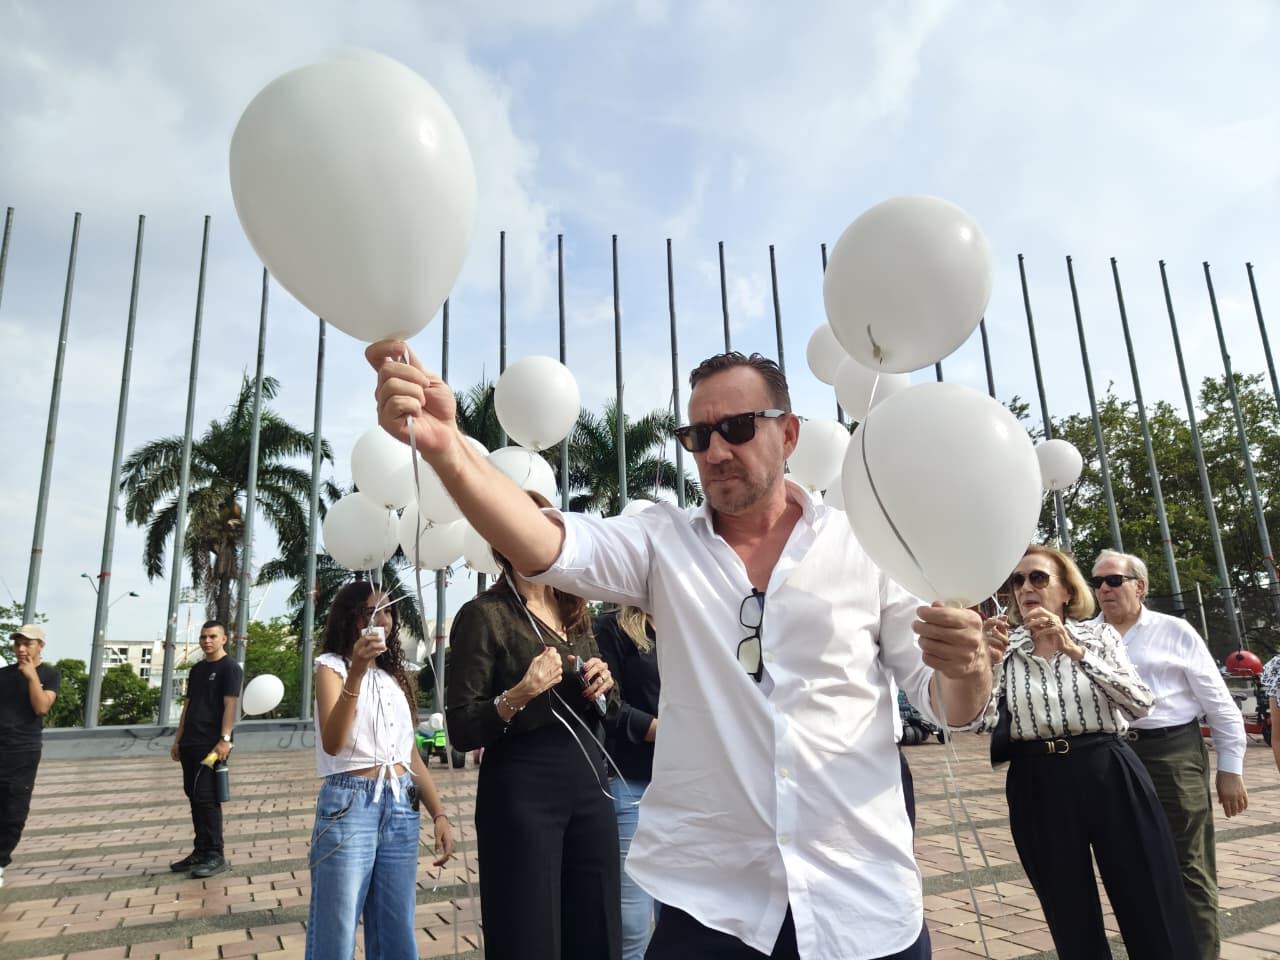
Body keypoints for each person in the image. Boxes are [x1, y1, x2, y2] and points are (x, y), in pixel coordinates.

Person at [370, 343, 990, 960]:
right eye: (698, 436)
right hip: (713, 905)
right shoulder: (662, 544)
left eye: (739, 428)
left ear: (790, 434)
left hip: (859, 899)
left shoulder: (866, 546)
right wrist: (447, 446)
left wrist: (967, 667)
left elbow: (947, 704)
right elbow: (545, 541)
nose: (718, 450)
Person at [982, 545, 1196, 960]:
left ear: (1066, 590)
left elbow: (1140, 702)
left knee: (1148, 892)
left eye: (1038, 578)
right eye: (1017, 580)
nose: (1026, 587)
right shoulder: (1004, 648)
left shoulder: (1098, 635)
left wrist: (1074, 652)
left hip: (1106, 765)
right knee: (1067, 910)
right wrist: (982, 666)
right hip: (1036, 778)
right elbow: (980, 723)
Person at [446, 500, 622, 960]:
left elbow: (613, 711)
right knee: (528, 934)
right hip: (522, 793)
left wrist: (605, 686)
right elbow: (462, 729)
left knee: (597, 928)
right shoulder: (484, 615)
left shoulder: (577, 609)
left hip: (589, 786)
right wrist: (520, 693)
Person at [1091, 549, 1247, 960]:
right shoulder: (1084, 636)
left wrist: (1230, 768)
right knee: (1130, 866)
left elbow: (1218, 701)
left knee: (1187, 866)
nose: (1103, 589)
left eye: (1113, 580)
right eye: (1097, 582)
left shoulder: (1175, 631)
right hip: (1111, 755)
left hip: (1172, 752)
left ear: (1139, 586)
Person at [308, 581, 455, 960]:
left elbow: (409, 755)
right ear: (350, 618)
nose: (383, 621)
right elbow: (333, 742)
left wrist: (437, 812)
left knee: (396, 927)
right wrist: (355, 672)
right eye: (371, 612)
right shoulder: (331, 668)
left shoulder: (393, 679)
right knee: (337, 927)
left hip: (402, 806)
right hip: (350, 804)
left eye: (388, 611)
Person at [594, 605, 660, 960]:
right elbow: (607, 704)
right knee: (632, 922)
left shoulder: (692, 619)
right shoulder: (612, 627)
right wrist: (660, 730)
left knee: (681, 912)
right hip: (630, 782)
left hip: (686, 785)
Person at [169, 620, 241, 879]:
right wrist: (178, 739)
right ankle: (200, 851)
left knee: (206, 797)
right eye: (203, 636)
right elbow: (187, 706)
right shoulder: (198, 669)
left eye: (212, 636)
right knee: (193, 795)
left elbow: (230, 705)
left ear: (224, 639)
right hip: (191, 741)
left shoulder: (229, 668)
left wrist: (225, 739)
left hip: (212, 744)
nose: (206, 641)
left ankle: (214, 854)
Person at [0, 624, 60, 888]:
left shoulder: (50, 674)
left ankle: (0, 862)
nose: (22, 649)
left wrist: (31, 676)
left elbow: (41, 707)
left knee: (14, 810)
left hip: (23, 751)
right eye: (18, 644)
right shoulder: (2, 675)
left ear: (40, 646)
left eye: (28, 644)